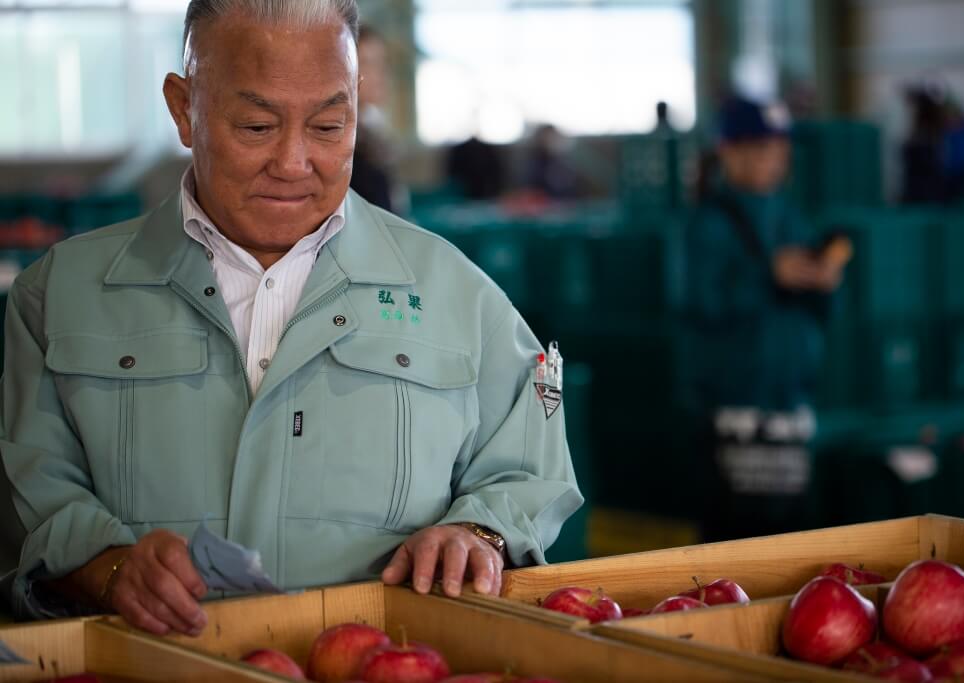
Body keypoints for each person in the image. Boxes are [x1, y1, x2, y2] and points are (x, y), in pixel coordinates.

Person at [0, 0, 581, 635]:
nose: (293, 162)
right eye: (255, 126)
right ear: (182, 108)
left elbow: (528, 470)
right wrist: (106, 568)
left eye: (329, 127)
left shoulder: (460, 297)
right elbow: (30, 493)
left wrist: (478, 532)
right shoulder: (57, 297)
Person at [686, 95, 849, 541]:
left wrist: (824, 281)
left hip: (791, 408)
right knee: (733, 541)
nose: (772, 161)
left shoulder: (792, 217)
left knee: (789, 538)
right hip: (732, 415)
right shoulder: (709, 223)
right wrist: (767, 275)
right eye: (759, 149)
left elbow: (825, 311)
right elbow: (700, 302)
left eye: (779, 150)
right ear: (728, 151)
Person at [348, 25, 402, 213]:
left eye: (382, 63)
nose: (380, 74)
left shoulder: (375, 130)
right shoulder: (344, 140)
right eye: (367, 62)